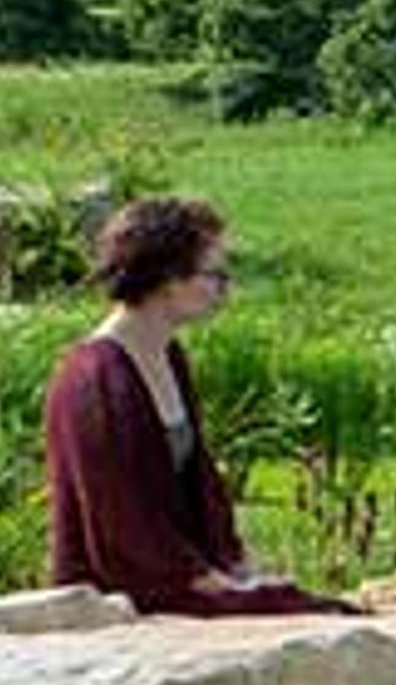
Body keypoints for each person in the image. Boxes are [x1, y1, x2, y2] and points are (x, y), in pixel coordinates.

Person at [41, 196, 351, 618]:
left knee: (316, 607)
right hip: (128, 594)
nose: (224, 289)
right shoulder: (95, 380)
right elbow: (120, 519)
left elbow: (198, 484)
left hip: (180, 577)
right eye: (215, 274)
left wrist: (234, 566)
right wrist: (207, 580)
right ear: (169, 278)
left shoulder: (168, 357)